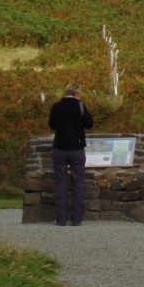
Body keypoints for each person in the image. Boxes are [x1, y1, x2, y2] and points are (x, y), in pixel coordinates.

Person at [48, 82, 94, 226]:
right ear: (77, 94)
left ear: (65, 92)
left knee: (61, 183)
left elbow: (52, 125)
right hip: (77, 148)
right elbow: (89, 124)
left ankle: (61, 218)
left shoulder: (57, 106)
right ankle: (76, 218)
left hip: (60, 148)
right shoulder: (80, 106)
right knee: (78, 183)